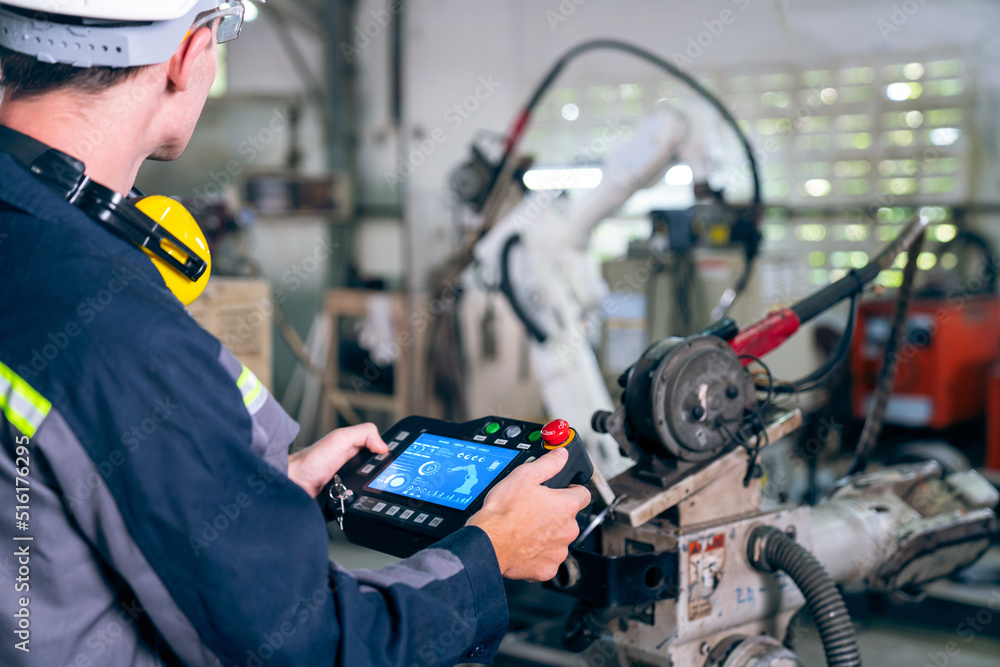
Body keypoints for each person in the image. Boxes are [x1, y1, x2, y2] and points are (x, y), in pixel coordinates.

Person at [0, 1, 591, 665]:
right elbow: (312, 646)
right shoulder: (121, 332)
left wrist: (241, 490)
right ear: (188, 54)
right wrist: (490, 555)